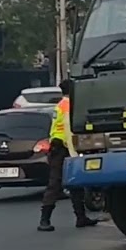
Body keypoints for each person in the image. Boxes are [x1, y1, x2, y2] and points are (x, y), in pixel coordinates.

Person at [39, 78, 99, 232]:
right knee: (56, 182)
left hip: (58, 146)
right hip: (63, 146)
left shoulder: (61, 103)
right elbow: (67, 127)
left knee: (73, 182)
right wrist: (73, 151)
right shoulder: (68, 105)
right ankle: (45, 220)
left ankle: (81, 217)